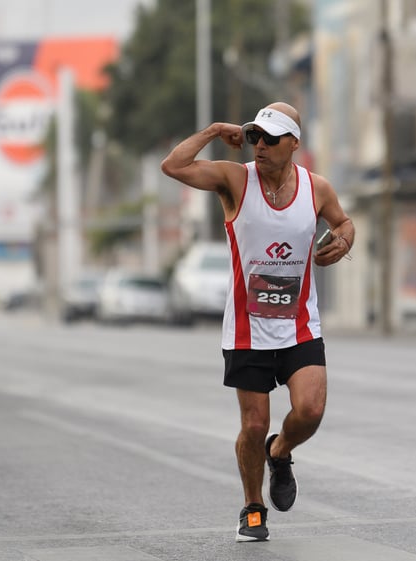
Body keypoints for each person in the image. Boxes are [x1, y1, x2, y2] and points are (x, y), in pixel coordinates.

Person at [161, 102, 355, 542]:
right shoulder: (235, 179)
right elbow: (173, 165)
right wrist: (213, 129)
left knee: (310, 410)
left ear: (293, 144)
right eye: (254, 137)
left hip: (300, 325)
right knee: (252, 424)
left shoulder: (316, 188)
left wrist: (343, 241)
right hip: (247, 329)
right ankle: (252, 507)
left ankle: (280, 452)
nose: (260, 146)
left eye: (270, 138)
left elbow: (344, 223)